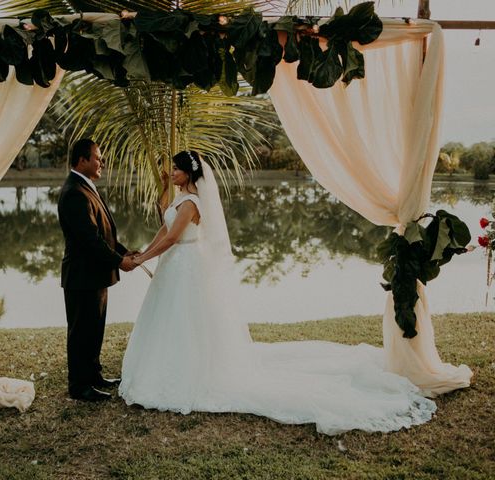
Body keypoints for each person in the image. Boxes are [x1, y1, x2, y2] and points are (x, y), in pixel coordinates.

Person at [119, 150, 437, 435]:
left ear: (189, 173)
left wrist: (142, 260)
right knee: (169, 319)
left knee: (186, 320)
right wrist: (143, 251)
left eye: (176, 169)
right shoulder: (177, 200)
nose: (172, 173)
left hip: (186, 263)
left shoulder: (191, 203)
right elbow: (164, 228)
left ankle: (187, 374)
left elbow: (174, 237)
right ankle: (163, 366)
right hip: (173, 266)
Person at [57, 139, 136, 402]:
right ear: (82, 160)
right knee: (81, 332)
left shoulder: (86, 187)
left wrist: (124, 252)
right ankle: (79, 386)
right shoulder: (73, 193)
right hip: (82, 276)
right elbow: (90, 239)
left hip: (95, 275)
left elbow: (104, 232)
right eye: (97, 158)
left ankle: (93, 375)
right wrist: (118, 261)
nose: (101, 162)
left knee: (94, 329)